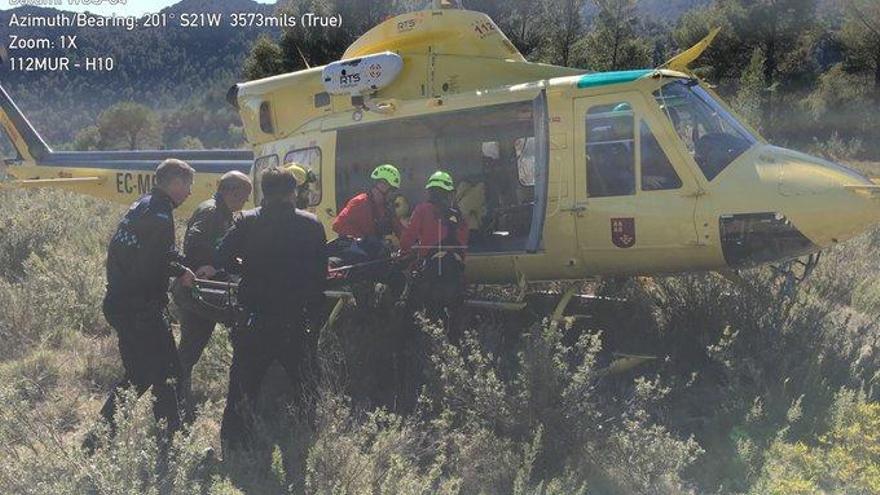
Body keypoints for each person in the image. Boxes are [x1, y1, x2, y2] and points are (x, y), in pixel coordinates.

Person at [215, 166, 327, 458]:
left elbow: (222, 259)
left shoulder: (247, 222)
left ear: (264, 192)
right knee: (306, 387)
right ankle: (302, 441)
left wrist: (248, 268)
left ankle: (234, 447)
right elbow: (320, 277)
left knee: (242, 387)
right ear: (293, 193)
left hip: (254, 320)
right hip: (294, 321)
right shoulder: (311, 224)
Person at [91, 158, 196, 450]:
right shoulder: (160, 213)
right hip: (141, 307)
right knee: (169, 374)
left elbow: (150, 253)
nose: (189, 192)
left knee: (139, 375)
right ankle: (172, 442)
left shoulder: (144, 205)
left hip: (122, 302)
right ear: (175, 182)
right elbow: (152, 264)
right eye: (188, 185)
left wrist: (180, 266)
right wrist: (179, 275)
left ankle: (96, 440)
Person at [173, 170, 252, 422]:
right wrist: (213, 265)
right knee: (192, 345)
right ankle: (176, 402)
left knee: (193, 344)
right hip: (197, 289)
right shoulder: (210, 212)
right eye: (244, 195)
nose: (245, 201)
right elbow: (195, 245)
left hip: (207, 288)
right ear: (232, 192)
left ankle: (177, 397)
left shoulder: (224, 213)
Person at [400, 171, 469, 332]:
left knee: (419, 312)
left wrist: (404, 254)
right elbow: (464, 245)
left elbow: (408, 238)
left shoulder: (423, 209)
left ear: (430, 191)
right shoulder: (459, 216)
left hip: (433, 272)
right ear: (449, 193)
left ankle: (419, 349)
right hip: (456, 273)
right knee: (455, 318)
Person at [331, 163, 403, 261]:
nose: (392, 194)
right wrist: (364, 239)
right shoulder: (359, 202)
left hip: (378, 256)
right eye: (391, 189)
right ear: (382, 184)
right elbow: (337, 225)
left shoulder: (387, 208)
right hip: (362, 258)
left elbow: (399, 230)